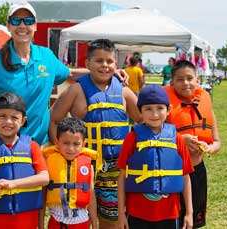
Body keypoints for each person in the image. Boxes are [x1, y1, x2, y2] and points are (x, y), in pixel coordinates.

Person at [0, 2, 127, 145]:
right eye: (16, 21)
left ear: (35, 26)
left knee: (37, 204)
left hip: (40, 145)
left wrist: (108, 72)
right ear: (9, 25)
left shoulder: (45, 56)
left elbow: (70, 73)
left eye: (28, 21)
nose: (22, 26)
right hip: (3, 145)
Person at [49, 39, 141, 229]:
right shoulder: (76, 90)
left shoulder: (124, 92)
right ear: (87, 63)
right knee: (80, 217)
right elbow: (54, 120)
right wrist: (61, 150)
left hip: (116, 168)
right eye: (99, 61)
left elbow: (142, 119)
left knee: (112, 220)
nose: (105, 65)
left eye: (109, 61)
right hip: (82, 166)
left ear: (117, 65)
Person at [117, 85, 194, 229]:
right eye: (148, 109)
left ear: (169, 109)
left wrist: (189, 212)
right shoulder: (131, 138)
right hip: (137, 214)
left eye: (160, 108)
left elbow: (185, 176)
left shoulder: (177, 139)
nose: (155, 114)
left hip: (170, 214)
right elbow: (121, 177)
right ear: (140, 111)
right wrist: (121, 213)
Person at [0, 92, 49, 228]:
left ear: (23, 120)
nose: (8, 122)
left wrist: (14, 184)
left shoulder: (32, 147)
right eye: (2, 116)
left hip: (26, 219)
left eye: (14, 117)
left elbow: (44, 178)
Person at [163, 60, 221, 228]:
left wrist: (210, 148)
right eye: (180, 79)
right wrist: (180, 140)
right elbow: (151, 136)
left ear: (197, 80)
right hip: (171, 173)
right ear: (172, 82)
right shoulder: (163, 107)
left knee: (193, 222)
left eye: (190, 78)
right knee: (172, 221)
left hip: (197, 171)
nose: (186, 83)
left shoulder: (205, 103)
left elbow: (217, 142)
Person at [39, 117, 98, 229]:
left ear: (84, 144)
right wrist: (41, 225)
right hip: (56, 223)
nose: (71, 148)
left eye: (76, 144)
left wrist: (94, 224)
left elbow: (91, 196)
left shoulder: (88, 167)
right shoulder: (49, 164)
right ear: (57, 142)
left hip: (81, 224)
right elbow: (42, 196)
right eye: (66, 143)